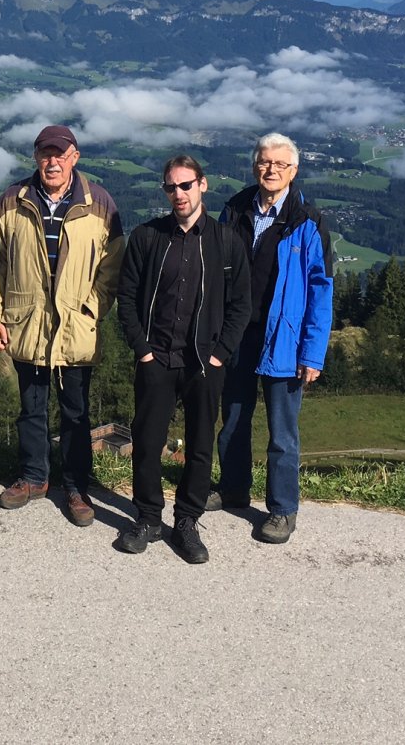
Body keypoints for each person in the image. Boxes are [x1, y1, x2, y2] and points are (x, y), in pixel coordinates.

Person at [0, 124, 124, 527]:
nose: (53, 161)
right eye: (46, 154)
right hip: (26, 322)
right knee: (30, 407)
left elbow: (112, 266)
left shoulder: (101, 203)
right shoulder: (12, 200)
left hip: (75, 326)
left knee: (76, 411)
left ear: (74, 158)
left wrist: (91, 310)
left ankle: (77, 484)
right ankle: (33, 477)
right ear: (36, 157)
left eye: (60, 154)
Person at [114, 154, 250, 563]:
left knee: (200, 445)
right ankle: (149, 518)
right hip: (157, 359)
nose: (179, 194)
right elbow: (126, 298)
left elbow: (241, 305)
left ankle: (187, 522)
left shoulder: (227, 242)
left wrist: (221, 355)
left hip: (204, 364)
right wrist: (143, 351)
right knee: (147, 442)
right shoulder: (147, 237)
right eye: (171, 187)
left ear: (202, 186)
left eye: (186, 185)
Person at [214, 133, 334, 544]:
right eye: (265, 162)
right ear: (254, 166)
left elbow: (321, 292)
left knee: (283, 433)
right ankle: (232, 490)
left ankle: (282, 510)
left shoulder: (308, 222)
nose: (271, 170)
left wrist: (313, 353)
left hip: (285, 341)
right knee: (232, 421)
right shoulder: (235, 209)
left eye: (280, 165)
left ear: (293, 171)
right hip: (237, 336)